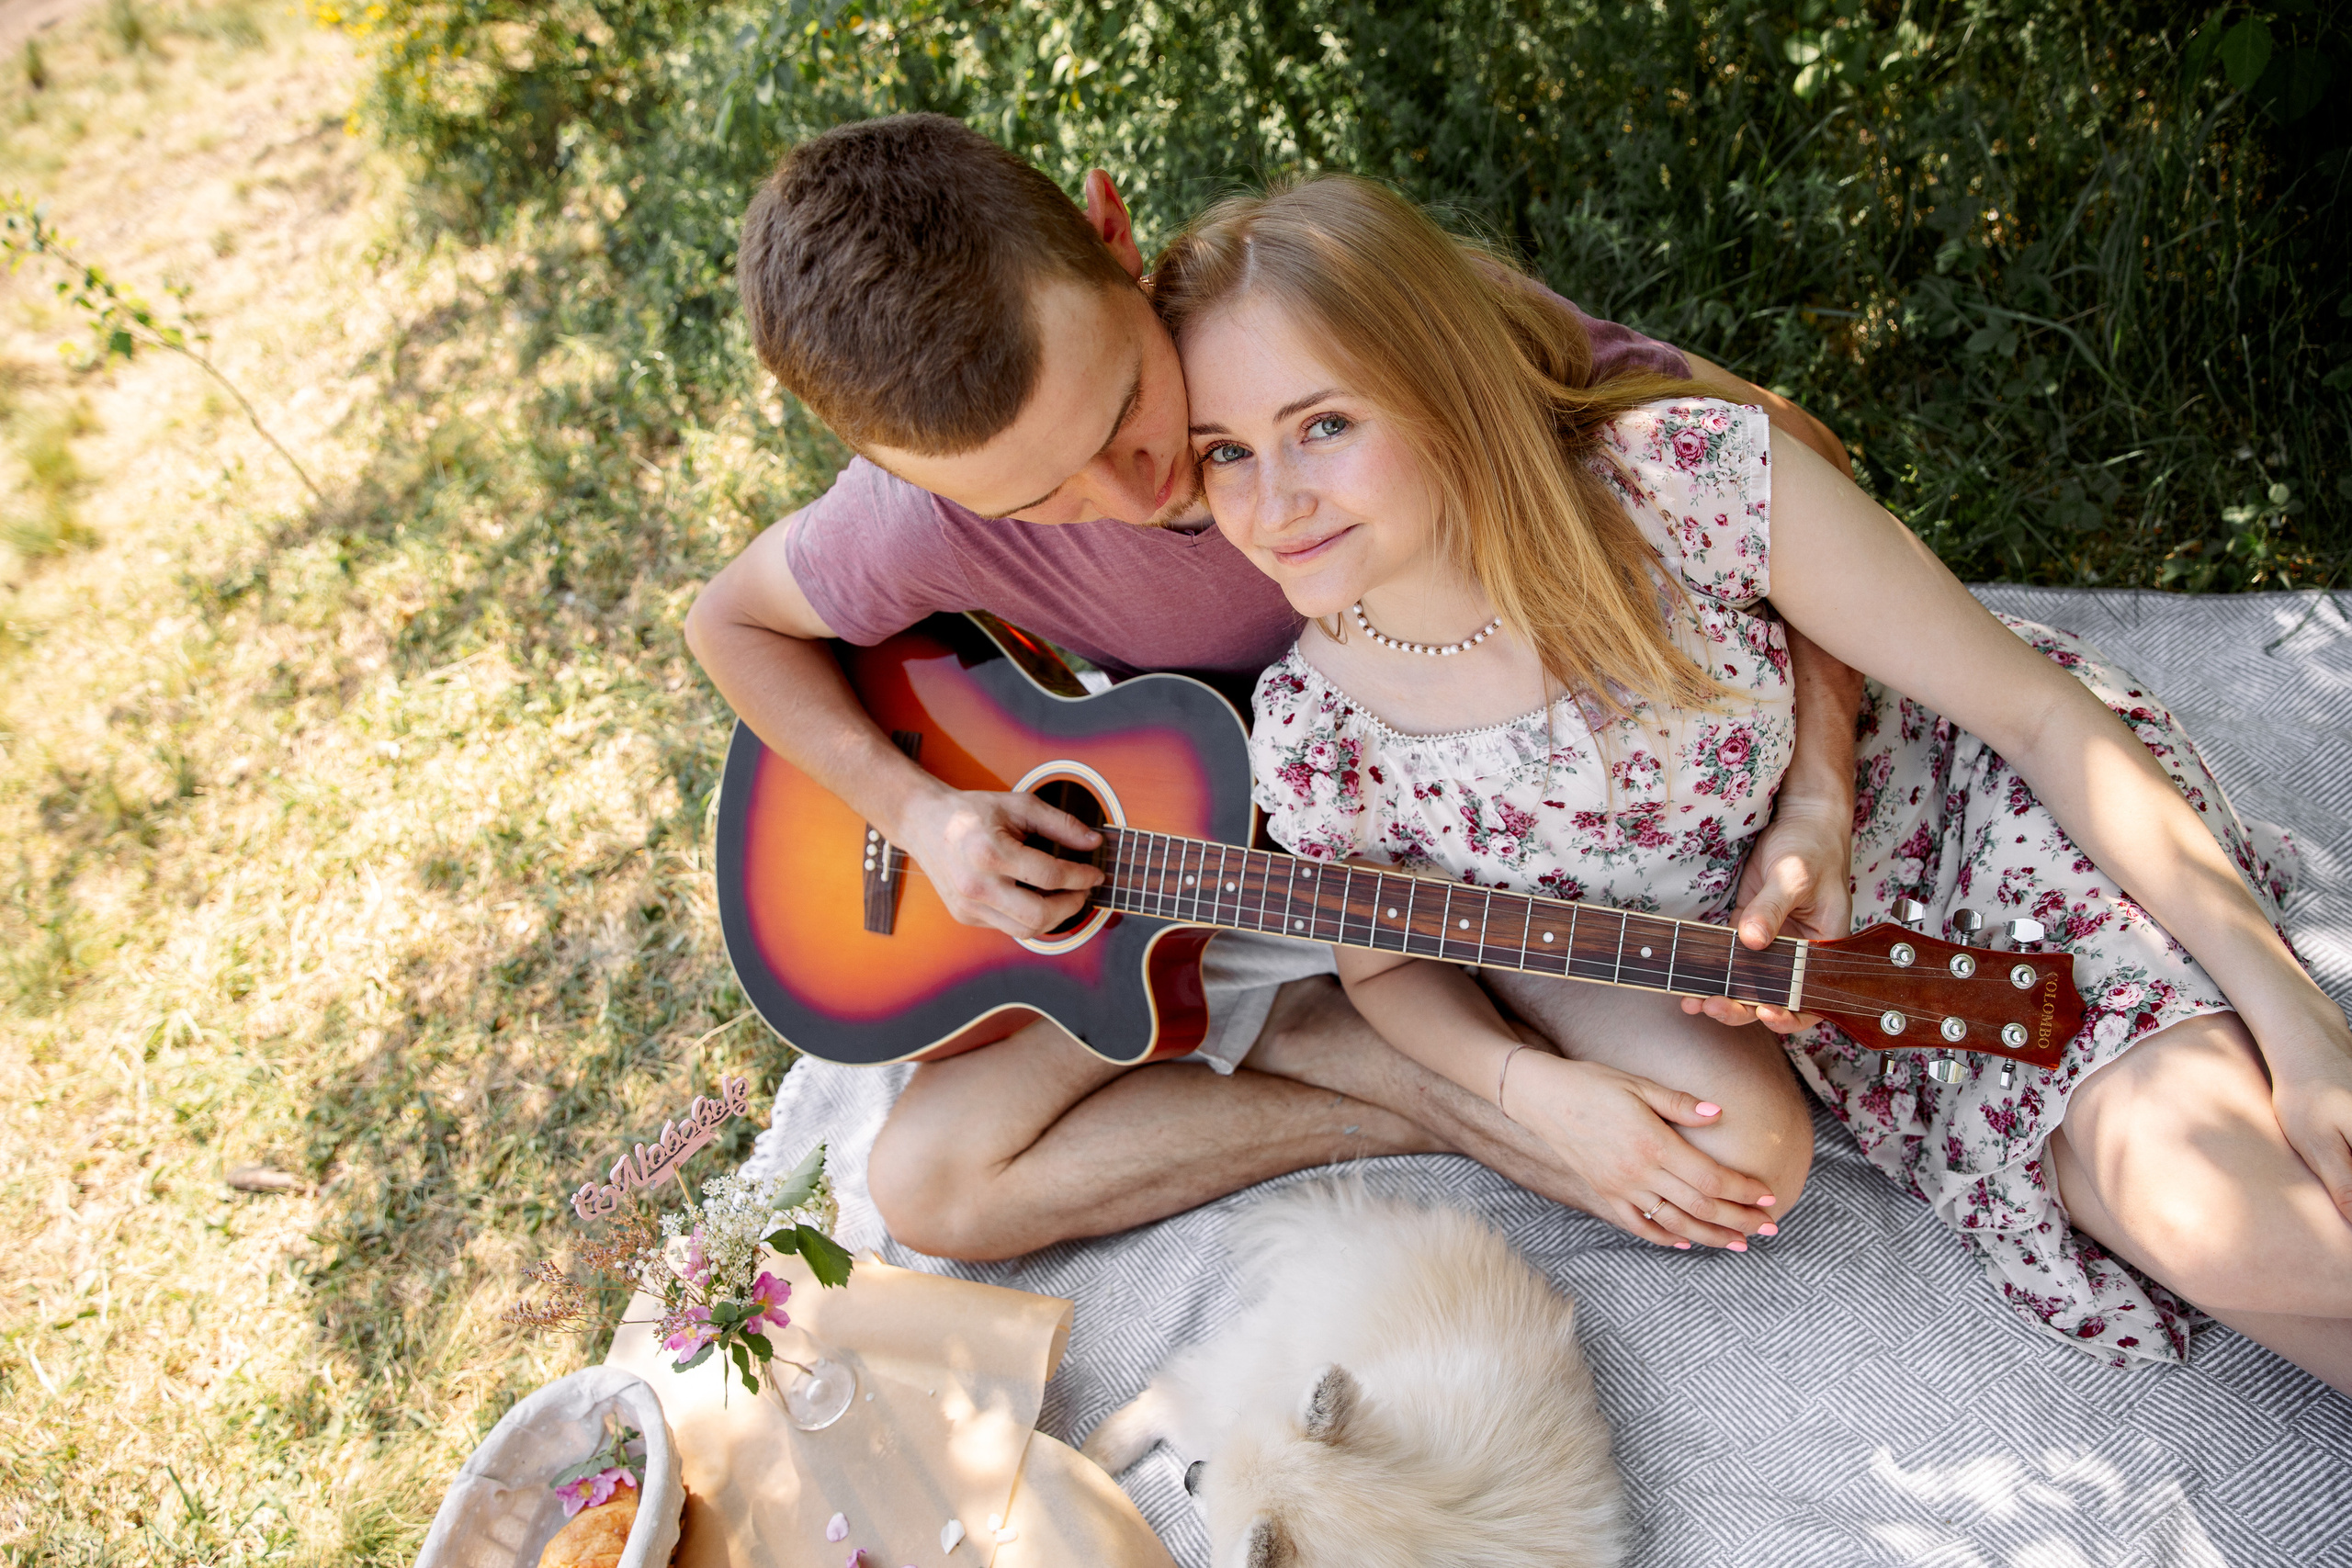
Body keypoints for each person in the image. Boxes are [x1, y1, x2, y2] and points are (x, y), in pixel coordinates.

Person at [1151, 172, 2352, 1388]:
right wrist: (1530, 1086)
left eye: (1325, 425)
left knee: (2238, 1226)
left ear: (1443, 384)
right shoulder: (1315, 733)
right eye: (1227, 452)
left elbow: (2038, 715)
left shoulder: (1677, 483)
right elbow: (1391, 959)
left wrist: (2302, 1033)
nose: (1275, 499)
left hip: (1980, 819)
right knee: (2242, 1266)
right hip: (1871, 1013)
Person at [687, 114, 1865, 1262]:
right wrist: (916, 812)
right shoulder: (918, 518)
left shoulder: (1322, 331)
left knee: (1731, 1163)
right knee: (927, 1189)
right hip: (1218, 860)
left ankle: (1364, 1046)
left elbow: (1784, 452)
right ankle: (1407, 1101)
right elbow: (728, 622)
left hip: (1444, 840)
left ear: (1111, 232)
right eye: (1035, 499)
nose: (1129, 488)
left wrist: (1821, 787)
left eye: (1121, 412)